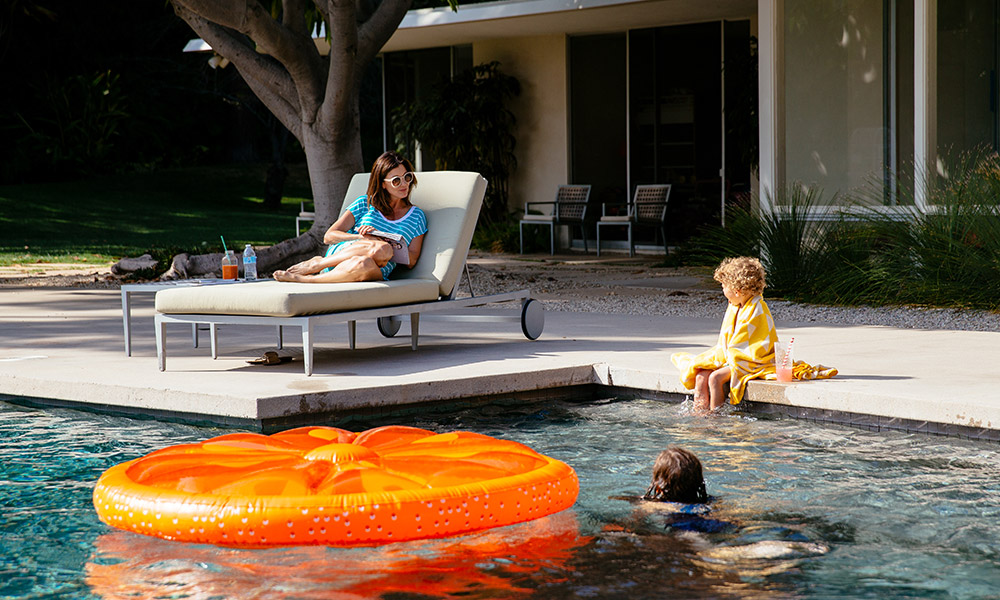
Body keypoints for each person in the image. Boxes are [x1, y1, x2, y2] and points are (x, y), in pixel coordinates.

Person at [273, 151, 428, 283]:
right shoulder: (364, 204)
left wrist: (387, 242)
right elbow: (329, 236)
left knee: (375, 254)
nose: (404, 184)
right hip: (341, 257)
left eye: (407, 177)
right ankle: (318, 265)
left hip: (368, 269)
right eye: (396, 180)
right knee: (380, 247)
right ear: (382, 184)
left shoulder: (416, 217)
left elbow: (412, 260)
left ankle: (308, 280)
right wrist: (362, 238)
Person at [671, 256, 777, 411]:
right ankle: (699, 415)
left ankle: (716, 418)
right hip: (732, 357)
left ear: (736, 290)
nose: (722, 290)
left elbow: (758, 345)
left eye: (723, 286)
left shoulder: (757, 309)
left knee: (715, 378)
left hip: (751, 360)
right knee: (701, 377)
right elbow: (727, 342)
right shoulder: (736, 305)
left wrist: (731, 358)